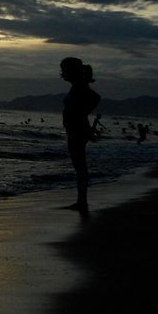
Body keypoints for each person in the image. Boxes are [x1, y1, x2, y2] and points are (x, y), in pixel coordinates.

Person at [60, 57, 100, 212]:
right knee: (80, 165)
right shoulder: (77, 86)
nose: (62, 73)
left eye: (64, 69)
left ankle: (82, 201)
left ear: (71, 71)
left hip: (78, 129)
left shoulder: (79, 87)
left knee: (80, 166)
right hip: (76, 128)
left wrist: (83, 113)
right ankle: (81, 200)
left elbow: (95, 98)